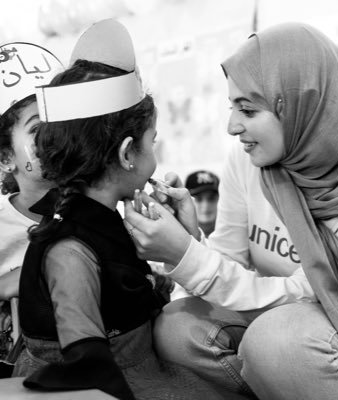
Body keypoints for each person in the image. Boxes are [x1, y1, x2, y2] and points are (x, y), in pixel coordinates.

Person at [124, 22, 338, 400]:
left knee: (278, 345)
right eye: (232, 107)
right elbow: (228, 264)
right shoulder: (249, 159)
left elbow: (318, 296)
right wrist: (191, 239)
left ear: (303, 107)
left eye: (248, 110)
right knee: (177, 327)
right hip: (280, 315)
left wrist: (186, 257)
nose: (232, 126)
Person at [13, 19, 240, 400]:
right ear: (127, 154)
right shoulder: (69, 249)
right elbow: (87, 359)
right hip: (111, 381)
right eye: (153, 142)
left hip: (139, 359)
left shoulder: (101, 220)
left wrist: (181, 245)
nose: (156, 157)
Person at [0, 42, 63, 377]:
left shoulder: (102, 206)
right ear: (6, 158)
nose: (55, 138)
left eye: (62, 124)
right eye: (39, 130)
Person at [185, 170, 219, 238]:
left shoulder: (234, 234)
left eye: (211, 198)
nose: (205, 206)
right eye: (198, 199)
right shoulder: (179, 236)